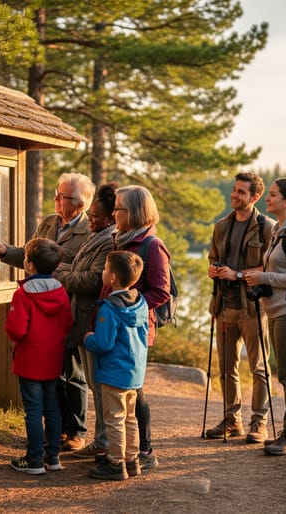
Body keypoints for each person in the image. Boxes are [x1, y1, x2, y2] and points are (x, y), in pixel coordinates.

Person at [0, 172, 95, 452]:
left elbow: (78, 270)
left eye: (63, 196)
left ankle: (76, 431)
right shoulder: (48, 222)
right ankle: (54, 431)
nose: (56, 199)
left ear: (80, 205)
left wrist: (59, 269)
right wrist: (5, 250)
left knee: (73, 374)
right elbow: (32, 255)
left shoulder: (89, 231)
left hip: (65, 308)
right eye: (56, 193)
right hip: (38, 307)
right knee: (52, 376)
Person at [243, 177, 286, 456]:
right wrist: (262, 282)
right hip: (278, 311)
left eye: (272, 195)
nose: (267, 199)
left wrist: (264, 276)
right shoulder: (278, 231)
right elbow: (281, 273)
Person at [105, 185, 171, 470]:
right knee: (123, 389)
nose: (113, 213)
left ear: (133, 212)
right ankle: (122, 449)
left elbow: (161, 291)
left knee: (136, 390)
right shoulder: (119, 239)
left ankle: (144, 450)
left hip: (135, 330)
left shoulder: (151, 246)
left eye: (118, 208)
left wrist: (126, 306)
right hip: (114, 325)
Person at [205, 172, 274, 443]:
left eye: (241, 192)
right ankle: (233, 420)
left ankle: (260, 422)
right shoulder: (222, 226)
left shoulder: (266, 227)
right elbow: (213, 258)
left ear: (255, 197)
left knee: (259, 368)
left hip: (253, 308)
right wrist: (213, 269)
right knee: (226, 368)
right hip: (224, 307)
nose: (234, 195)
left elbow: (270, 267)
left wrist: (236, 274)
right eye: (234, 190)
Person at [53, 183, 119, 460]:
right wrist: (57, 267)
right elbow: (82, 269)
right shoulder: (97, 236)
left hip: (92, 317)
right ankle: (100, 438)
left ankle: (103, 440)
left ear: (111, 217)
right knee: (94, 383)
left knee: (97, 383)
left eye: (96, 215)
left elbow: (92, 279)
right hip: (82, 318)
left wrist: (57, 275)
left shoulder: (108, 240)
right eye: (90, 214)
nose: (90, 219)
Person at [4, 238, 73, 475]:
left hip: (30, 360)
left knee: (33, 410)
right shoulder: (62, 292)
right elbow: (67, 324)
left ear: (30, 265)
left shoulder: (23, 294)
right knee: (51, 408)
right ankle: (52, 457)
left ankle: (34, 460)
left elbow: (16, 329)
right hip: (53, 360)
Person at [84, 251, 149, 480]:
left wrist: (88, 338)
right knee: (130, 418)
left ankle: (115, 463)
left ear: (111, 278)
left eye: (104, 269)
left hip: (113, 374)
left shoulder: (109, 309)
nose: (102, 272)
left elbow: (103, 343)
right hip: (134, 373)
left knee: (114, 420)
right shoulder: (140, 302)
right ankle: (132, 461)